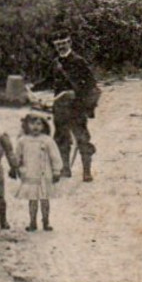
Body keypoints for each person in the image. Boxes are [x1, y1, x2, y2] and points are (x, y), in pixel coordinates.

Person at [51, 36, 99, 181]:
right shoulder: (55, 63)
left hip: (77, 107)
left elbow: (91, 84)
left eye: (64, 43)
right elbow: (49, 80)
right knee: (61, 138)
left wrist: (77, 95)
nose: (61, 47)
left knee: (82, 138)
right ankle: (65, 168)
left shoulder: (79, 61)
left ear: (70, 43)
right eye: (58, 44)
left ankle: (87, 172)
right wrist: (32, 88)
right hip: (60, 107)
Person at [14, 113, 64, 231]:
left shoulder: (47, 140)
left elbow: (55, 157)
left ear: (44, 126)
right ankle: (32, 222)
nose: (35, 127)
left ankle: (46, 222)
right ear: (26, 125)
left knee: (45, 199)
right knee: (32, 200)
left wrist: (56, 171)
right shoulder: (22, 141)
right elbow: (17, 157)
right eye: (32, 124)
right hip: (30, 174)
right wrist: (17, 168)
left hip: (44, 174)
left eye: (39, 124)